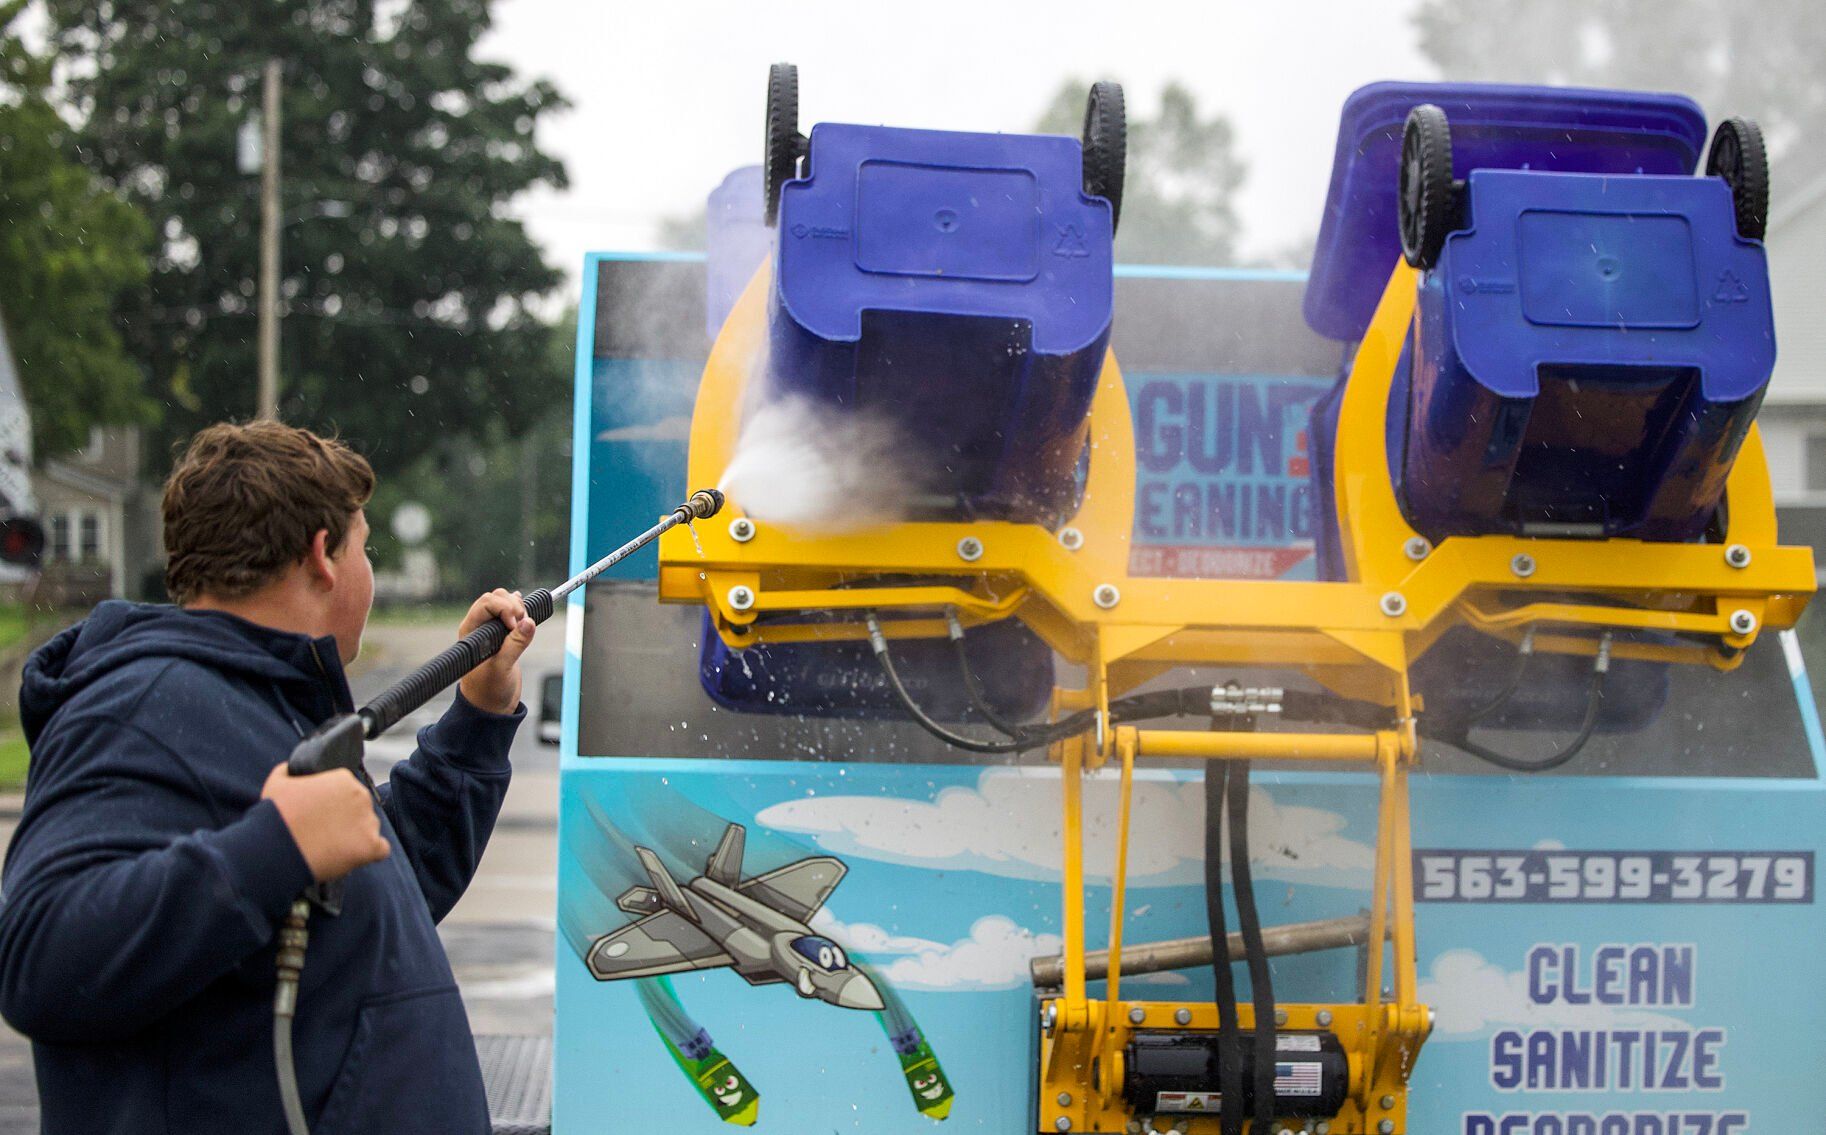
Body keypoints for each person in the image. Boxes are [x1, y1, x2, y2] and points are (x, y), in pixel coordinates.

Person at [0, 421, 535, 1134]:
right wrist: (273, 846)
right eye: (363, 546)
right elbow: (41, 957)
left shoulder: (252, 703)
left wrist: (476, 718)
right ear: (323, 556)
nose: (367, 568)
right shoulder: (140, 706)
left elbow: (368, 888)